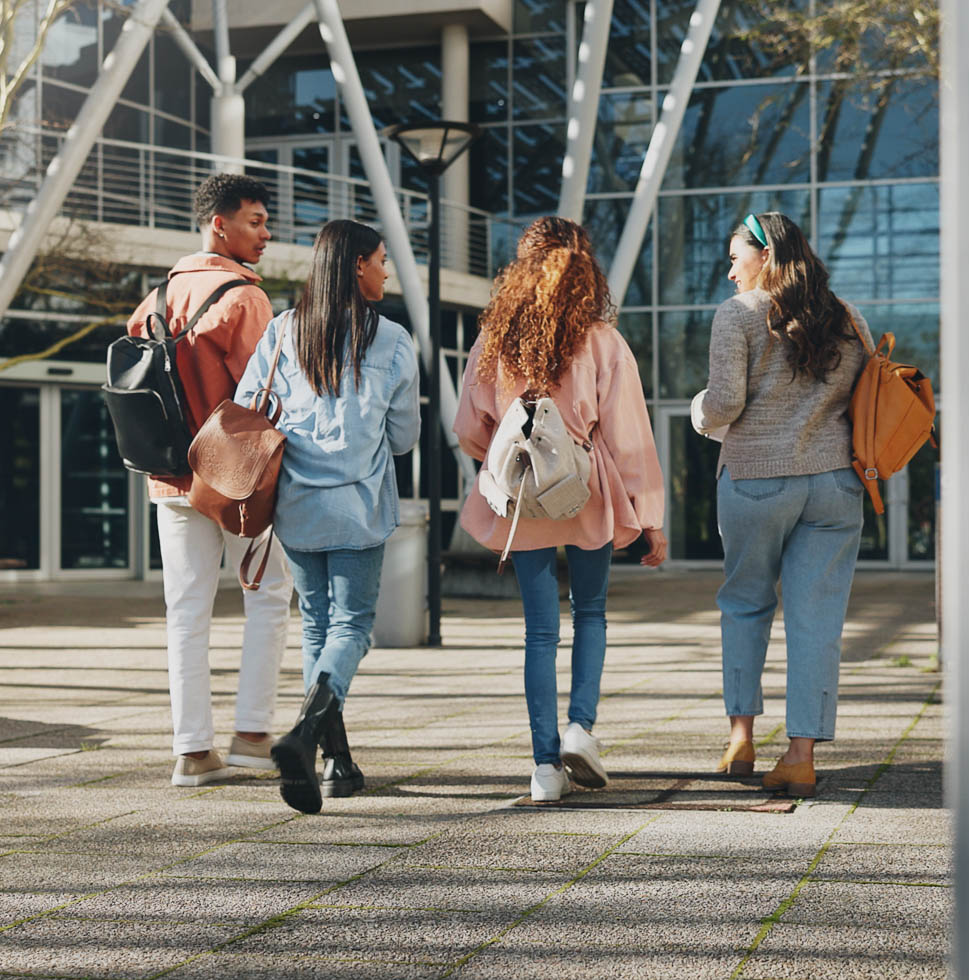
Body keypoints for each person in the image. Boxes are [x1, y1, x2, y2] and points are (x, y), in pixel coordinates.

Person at [455, 216, 667, 804]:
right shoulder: (601, 340)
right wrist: (649, 517)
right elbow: (629, 437)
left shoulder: (492, 341)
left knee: (539, 633)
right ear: (585, 272)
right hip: (587, 488)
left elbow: (469, 428)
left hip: (522, 495)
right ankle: (581, 728)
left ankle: (545, 766)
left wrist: (506, 454)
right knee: (591, 611)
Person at [235, 219, 418, 815]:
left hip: (295, 505)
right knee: (353, 628)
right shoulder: (390, 339)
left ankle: (335, 764)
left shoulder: (285, 330)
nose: (386, 270)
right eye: (381, 260)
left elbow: (245, 408)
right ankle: (306, 735)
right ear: (357, 265)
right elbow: (404, 437)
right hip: (358, 504)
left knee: (316, 626)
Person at [691, 211, 872, 798]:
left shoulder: (737, 316)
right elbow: (869, 393)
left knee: (745, 604)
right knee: (817, 619)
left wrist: (697, 413)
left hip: (755, 480)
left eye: (735, 255)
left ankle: (741, 738)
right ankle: (800, 756)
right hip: (835, 486)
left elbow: (722, 404)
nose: (729, 268)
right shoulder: (846, 317)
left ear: (764, 255)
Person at [126, 174, 293, 788]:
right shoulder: (245, 299)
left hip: (169, 476)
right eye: (254, 220)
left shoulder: (152, 299)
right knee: (269, 594)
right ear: (218, 224)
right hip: (235, 477)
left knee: (185, 611)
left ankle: (192, 752)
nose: (266, 233)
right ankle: (252, 734)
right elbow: (266, 393)